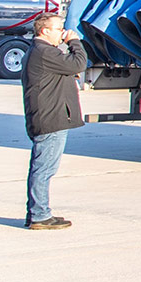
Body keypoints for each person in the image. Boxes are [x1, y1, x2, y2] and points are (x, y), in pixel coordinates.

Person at [21, 14, 87, 229]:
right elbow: (78, 63)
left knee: (44, 168)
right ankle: (39, 215)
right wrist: (74, 42)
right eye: (59, 29)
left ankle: (38, 212)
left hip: (49, 116)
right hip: (50, 119)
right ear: (44, 31)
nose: (62, 33)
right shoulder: (43, 51)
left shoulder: (43, 52)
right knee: (44, 169)